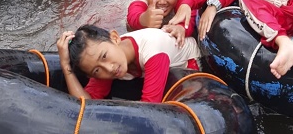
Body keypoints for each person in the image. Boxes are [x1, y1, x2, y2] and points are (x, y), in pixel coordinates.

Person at [57, 24, 201, 103]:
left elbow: (150, 108)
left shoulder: (153, 50)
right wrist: (66, 65)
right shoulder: (105, 56)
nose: (109, 68)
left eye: (104, 56)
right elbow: (85, 106)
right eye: (96, 71)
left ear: (114, 38)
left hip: (192, 69)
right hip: (150, 74)